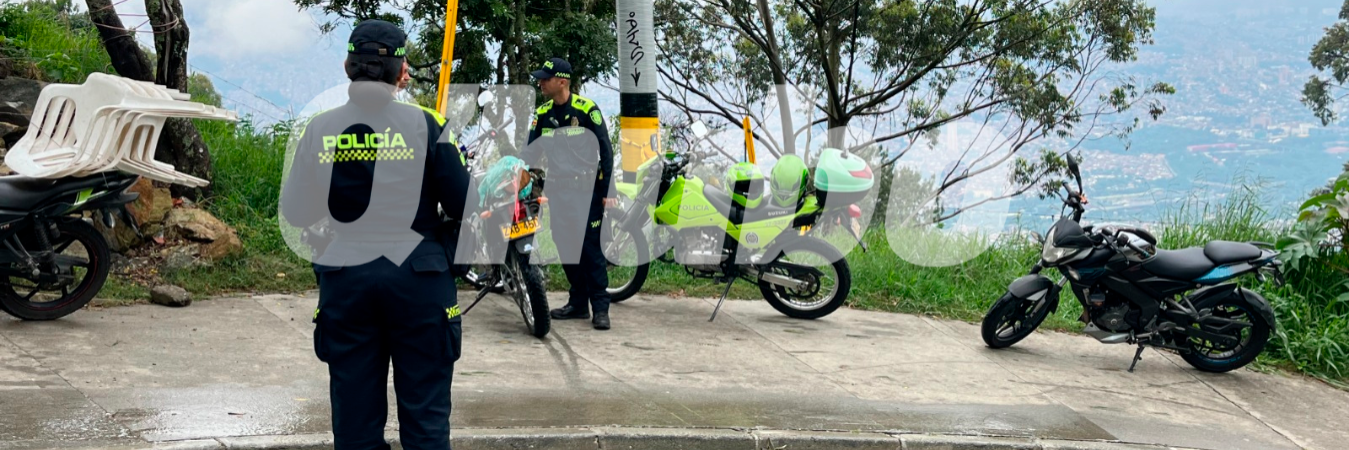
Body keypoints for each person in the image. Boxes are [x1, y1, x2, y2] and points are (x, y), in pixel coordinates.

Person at [279, 19, 475, 450]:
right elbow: (465, 207)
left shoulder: (319, 128)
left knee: (354, 427)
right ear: (399, 70)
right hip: (420, 281)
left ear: (349, 65)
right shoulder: (429, 124)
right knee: (425, 423)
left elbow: (296, 211)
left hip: (347, 282)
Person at [522, 57, 616, 330]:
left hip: (587, 191)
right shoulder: (542, 115)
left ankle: (600, 307)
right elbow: (529, 154)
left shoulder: (587, 110)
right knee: (565, 246)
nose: (540, 83)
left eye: (545, 79)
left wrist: (609, 189)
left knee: (589, 249)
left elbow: (605, 150)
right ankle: (578, 303)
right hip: (559, 191)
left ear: (561, 81)